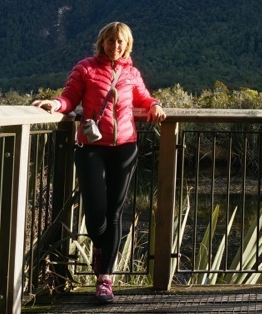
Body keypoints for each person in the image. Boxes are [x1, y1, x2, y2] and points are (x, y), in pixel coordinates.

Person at [33, 21, 166, 305]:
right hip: (91, 148)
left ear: (127, 45)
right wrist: (55, 105)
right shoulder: (86, 68)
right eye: (110, 41)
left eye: (120, 42)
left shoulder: (131, 73)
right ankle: (100, 246)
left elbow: (143, 96)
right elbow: (70, 97)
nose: (114, 46)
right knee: (96, 214)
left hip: (125, 147)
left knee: (115, 213)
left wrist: (154, 104)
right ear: (102, 42)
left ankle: (105, 279)